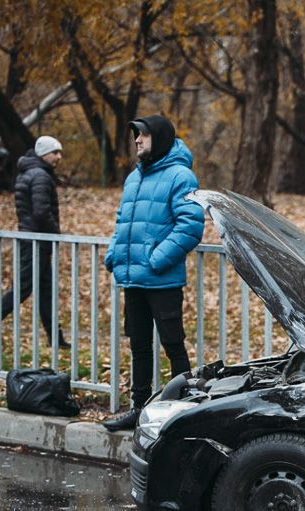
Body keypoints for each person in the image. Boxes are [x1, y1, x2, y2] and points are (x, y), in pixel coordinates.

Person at [101, 115, 204, 432]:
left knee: (174, 344)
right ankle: (138, 408)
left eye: (143, 135)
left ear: (158, 138)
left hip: (162, 279)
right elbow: (122, 222)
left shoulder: (180, 176)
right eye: (136, 135)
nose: (137, 140)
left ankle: (185, 410)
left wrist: (157, 259)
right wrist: (113, 255)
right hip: (132, 278)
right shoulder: (134, 178)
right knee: (139, 346)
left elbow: (190, 226)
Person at [0, 135, 69, 349]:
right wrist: (57, 233)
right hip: (35, 240)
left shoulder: (30, 172)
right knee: (22, 289)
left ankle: (56, 339)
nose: (59, 157)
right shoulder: (40, 176)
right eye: (55, 152)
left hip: (34, 239)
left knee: (46, 290)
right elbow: (41, 213)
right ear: (44, 154)